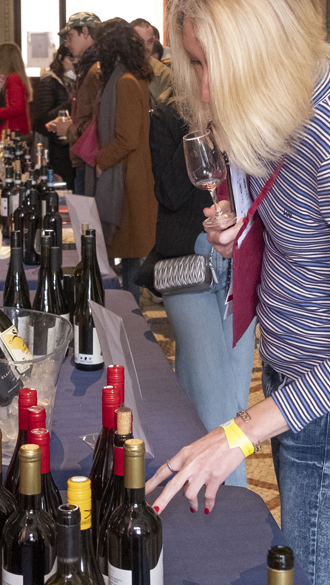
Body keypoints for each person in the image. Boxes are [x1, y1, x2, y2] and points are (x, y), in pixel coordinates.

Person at [147, 0, 330, 585]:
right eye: (196, 63)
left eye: (214, 65)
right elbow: (300, 229)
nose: (204, 88)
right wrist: (242, 228)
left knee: (320, 572)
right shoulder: (288, 105)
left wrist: (238, 433)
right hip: (295, 372)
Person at [146, 99, 255, 487]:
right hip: (188, 270)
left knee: (228, 394)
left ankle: (201, 502)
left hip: (243, 263)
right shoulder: (165, 118)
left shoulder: (250, 106)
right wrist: (201, 125)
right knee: (216, 399)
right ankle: (237, 505)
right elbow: (169, 193)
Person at [89, 18, 157, 301]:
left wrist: (102, 160)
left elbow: (127, 138)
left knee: (131, 261)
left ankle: (131, 324)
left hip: (129, 181)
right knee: (129, 259)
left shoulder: (125, 81)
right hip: (128, 177)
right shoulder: (126, 77)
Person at [47, 11, 101, 194]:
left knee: (87, 221)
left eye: (70, 36)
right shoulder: (89, 66)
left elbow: (100, 121)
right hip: (85, 157)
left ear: (85, 32)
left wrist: (69, 129)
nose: (66, 44)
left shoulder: (96, 69)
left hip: (90, 159)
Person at [31, 43, 76, 185]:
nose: (75, 63)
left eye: (77, 59)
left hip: (70, 145)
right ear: (61, 58)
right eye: (71, 59)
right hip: (55, 148)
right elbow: (42, 120)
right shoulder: (49, 82)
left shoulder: (73, 81)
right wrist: (71, 102)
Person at [0, 41, 32, 143]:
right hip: (12, 130)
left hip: (11, 132)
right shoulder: (14, 77)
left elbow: (16, 108)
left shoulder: (13, 78)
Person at [131, 17, 173, 104]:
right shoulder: (119, 69)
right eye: (141, 42)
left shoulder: (164, 75)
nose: (146, 47)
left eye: (150, 42)